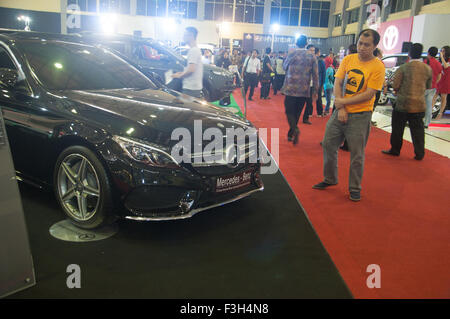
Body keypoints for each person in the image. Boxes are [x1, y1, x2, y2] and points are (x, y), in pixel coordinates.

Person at [313, 29, 385, 202]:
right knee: (329, 145)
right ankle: (330, 179)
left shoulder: (378, 66)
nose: (361, 47)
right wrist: (341, 107)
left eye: (366, 45)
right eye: (360, 43)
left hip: (361, 116)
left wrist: (343, 103)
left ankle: (354, 188)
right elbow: (338, 82)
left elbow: (369, 94)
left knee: (357, 154)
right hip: (340, 112)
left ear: (375, 46)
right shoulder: (348, 59)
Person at [382, 43, 432, 160]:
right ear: (421, 53)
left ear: (409, 53)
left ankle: (395, 149)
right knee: (418, 131)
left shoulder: (403, 68)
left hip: (403, 104)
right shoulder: (427, 69)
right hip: (419, 104)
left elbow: (396, 85)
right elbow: (428, 85)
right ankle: (419, 153)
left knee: (398, 129)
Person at [281, 35, 319, 145]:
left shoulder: (292, 53)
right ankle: (291, 133)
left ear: (296, 43)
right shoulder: (312, 56)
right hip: (304, 89)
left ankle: (294, 130)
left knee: (289, 111)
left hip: (290, 88)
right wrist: (316, 90)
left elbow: (284, 67)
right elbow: (316, 75)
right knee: (297, 113)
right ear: (306, 44)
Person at [172, 27, 203, 98]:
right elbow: (190, 68)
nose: (183, 37)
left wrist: (179, 76)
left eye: (185, 35)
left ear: (191, 36)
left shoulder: (193, 51)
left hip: (191, 89)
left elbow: (191, 70)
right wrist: (180, 73)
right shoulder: (194, 50)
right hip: (192, 88)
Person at [423, 46, 442, 127]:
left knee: (418, 104)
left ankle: (416, 120)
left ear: (428, 52)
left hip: (424, 87)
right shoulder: (438, 63)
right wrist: (434, 83)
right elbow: (439, 76)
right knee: (429, 105)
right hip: (433, 87)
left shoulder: (426, 61)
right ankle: (427, 123)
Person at [436, 46, 450, 120]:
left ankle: (440, 113)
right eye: (441, 51)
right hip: (439, 80)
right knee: (434, 96)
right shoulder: (440, 60)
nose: (442, 52)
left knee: (443, 97)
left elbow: (446, 66)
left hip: (446, 80)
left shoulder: (448, 60)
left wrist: (441, 57)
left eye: (443, 51)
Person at [303, 44, 316, 123]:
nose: (312, 52)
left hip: (310, 85)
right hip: (302, 85)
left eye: (313, 51)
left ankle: (306, 118)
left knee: (309, 103)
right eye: (311, 50)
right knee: (299, 103)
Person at [315, 47, 327, 117]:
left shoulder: (310, 60)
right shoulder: (321, 61)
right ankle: (319, 113)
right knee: (318, 97)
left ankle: (308, 113)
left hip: (310, 82)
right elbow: (324, 73)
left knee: (309, 98)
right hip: (318, 82)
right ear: (318, 52)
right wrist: (323, 82)